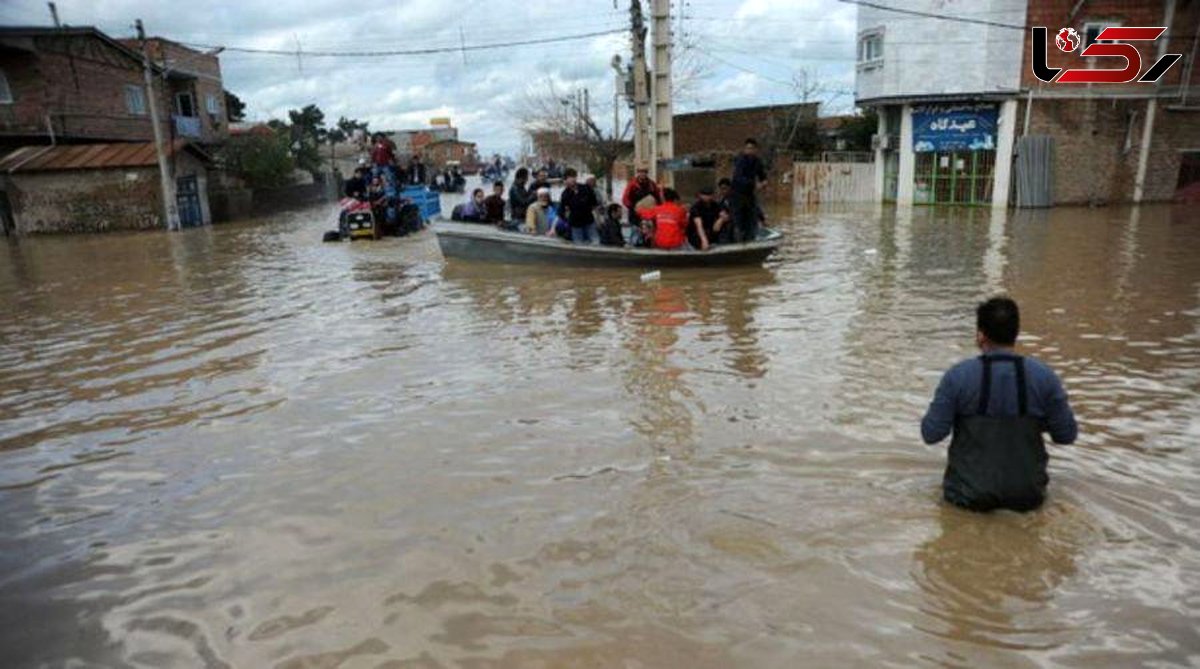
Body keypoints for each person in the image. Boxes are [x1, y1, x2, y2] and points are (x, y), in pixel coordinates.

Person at [921, 297, 1078, 513]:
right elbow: (1066, 435)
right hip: (1027, 499)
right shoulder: (1045, 378)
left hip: (967, 498)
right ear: (1016, 333)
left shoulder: (957, 377)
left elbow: (931, 434)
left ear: (980, 335)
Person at [730, 138, 768, 243]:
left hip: (749, 194)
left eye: (751, 148)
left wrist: (764, 182)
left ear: (756, 150)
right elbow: (738, 177)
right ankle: (738, 241)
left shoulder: (757, 161)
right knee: (739, 219)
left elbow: (762, 175)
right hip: (737, 194)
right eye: (747, 148)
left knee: (751, 217)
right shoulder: (740, 160)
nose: (749, 150)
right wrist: (754, 184)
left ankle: (750, 240)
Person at [559, 168, 599, 244]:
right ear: (566, 180)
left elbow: (594, 204)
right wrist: (566, 218)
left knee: (595, 241)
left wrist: (598, 218)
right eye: (570, 178)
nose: (573, 179)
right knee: (578, 244)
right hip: (576, 224)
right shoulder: (565, 194)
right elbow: (562, 211)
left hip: (589, 221)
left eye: (574, 176)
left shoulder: (586, 188)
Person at [687, 186, 725, 250]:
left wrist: (720, 220)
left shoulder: (714, 204)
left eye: (709, 195)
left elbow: (724, 214)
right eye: (705, 195)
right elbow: (699, 226)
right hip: (697, 234)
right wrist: (704, 240)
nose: (707, 197)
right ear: (700, 195)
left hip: (710, 231)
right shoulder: (696, 207)